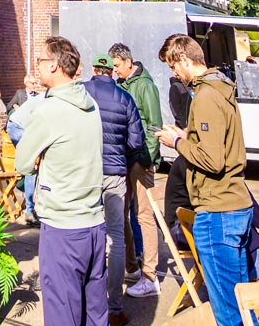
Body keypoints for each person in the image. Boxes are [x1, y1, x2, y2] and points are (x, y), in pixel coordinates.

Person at [154, 35, 259, 326]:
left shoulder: (207, 95)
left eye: (173, 65)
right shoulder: (218, 89)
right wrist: (189, 138)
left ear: (185, 59)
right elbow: (217, 146)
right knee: (241, 302)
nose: (174, 72)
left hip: (218, 209)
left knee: (228, 311)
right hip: (233, 206)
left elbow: (212, 160)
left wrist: (177, 143)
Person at [15, 35, 105, 326]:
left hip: (63, 226)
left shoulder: (48, 110)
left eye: (41, 60)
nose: (37, 67)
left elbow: (22, 163)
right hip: (94, 222)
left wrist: (42, 158)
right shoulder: (90, 103)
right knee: (94, 312)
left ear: (54, 65)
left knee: (62, 314)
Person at [86, 52, 145, 326]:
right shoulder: (125, 98)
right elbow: (136, 141)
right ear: (111, 71)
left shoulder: (82, 92)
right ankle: (115, 307)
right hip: (115, 174)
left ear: (93, 70)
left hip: (86, 173)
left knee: (87, 233)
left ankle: (89, 301)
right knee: (116, 238)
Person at [109, 43, 165, 297]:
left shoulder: (144, 86)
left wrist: (147, 159)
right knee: (121, 213)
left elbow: (154, 126)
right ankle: (132, 265)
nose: (115, 70)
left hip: (139, 159)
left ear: (128, 62)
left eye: (117, 65)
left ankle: (150, 275)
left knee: (143, 215)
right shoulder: (122, 84)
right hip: (124, 157)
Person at [158, 35, 196, 232]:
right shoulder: (181, 88)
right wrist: (179, 140)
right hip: (184, 228)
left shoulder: (201, 90)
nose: (174, 73)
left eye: (173, 67)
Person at [7, 74, 44, 221]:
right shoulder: (46, 100)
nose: (34, 85)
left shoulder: (42, 97)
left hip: (22, 127)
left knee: (33, 164)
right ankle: (29, 210)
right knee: (31, 167)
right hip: (17, 127)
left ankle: (30, 206)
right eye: (32, 83)